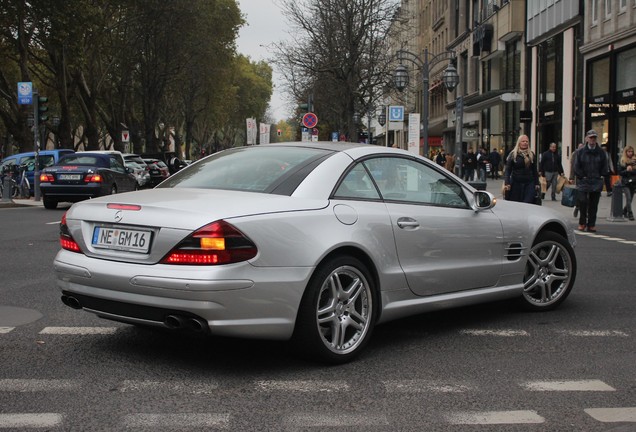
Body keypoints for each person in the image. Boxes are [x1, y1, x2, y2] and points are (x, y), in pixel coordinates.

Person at [572, 130, 608, 232]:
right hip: (584, 181)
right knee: (583, 202)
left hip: (596, 181)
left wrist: (601, 176)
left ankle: (591, 224)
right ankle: (582, 222)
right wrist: (581, 176)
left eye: (594, 138)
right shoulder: (580, 152)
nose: (592, 140)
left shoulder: (601, 152)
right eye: (591, 138)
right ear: (586, 139)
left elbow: (605, 166)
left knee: (593, 204)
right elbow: (576, 166)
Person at [504, 135, 540, 203]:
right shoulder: (513, 154)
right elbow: (508, 170)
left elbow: (535, 170)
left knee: (528, 202)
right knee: (516, 203)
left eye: (527, 141)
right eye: (523, 141)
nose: (525, 143)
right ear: (519, 143)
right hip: (516, 183)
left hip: (529, 183)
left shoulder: (531, 154)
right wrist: (507, 183)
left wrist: (536, 183)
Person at [617, 146, 636, 220]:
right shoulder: (622, 161)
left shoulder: (634, 160)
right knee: (628, 198)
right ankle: (630, 213)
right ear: (626, 152)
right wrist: (627, 170)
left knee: (630, 199)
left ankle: (624, 211)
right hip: (625, 182)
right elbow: (620, 172)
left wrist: (632, 170)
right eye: (629, 152)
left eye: (631, 151)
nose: (630, 153)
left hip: (633, 182)